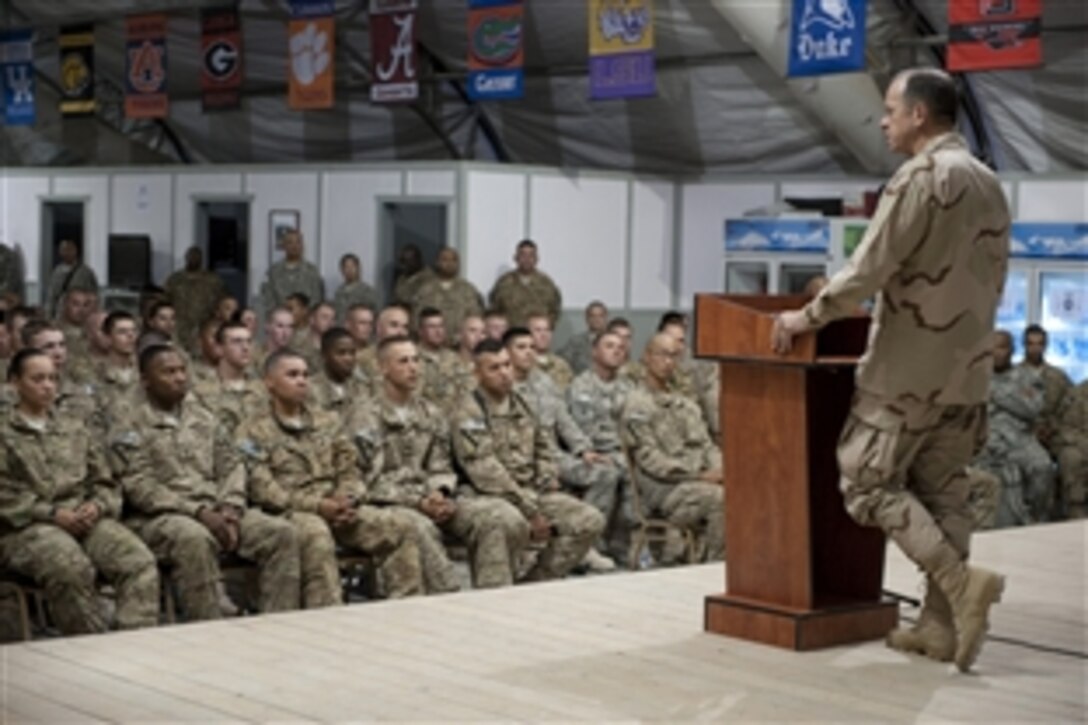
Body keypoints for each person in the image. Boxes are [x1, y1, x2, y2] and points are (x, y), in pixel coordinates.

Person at [770, 68, 1009, 672]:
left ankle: (959, 585)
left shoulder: (922, 177)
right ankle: (937, 629)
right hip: (967, 373)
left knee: (864, 482)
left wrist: (806, 317)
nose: (883, 121)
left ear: (920, 116)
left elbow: (869, 269)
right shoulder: (988, 181)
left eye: (890, 109)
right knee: (943, 493)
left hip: (907, 373)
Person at [112, 345, 301, 620]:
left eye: (181, 370)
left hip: (218, 509)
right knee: (193, 539)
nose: (179, 378)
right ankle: (208, 629)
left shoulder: (201, 415)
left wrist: (231, 507)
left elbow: (231, 464)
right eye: (168, 372)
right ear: (145, 380)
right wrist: (198, 513)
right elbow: (139, 486)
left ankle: (278, 625)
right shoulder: (128, 423)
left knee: (282, 533)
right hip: (160, 517)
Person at [236, 350, 424, 604]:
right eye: (292, 375)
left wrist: (348, 498)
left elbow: (350, 466)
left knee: (400, 527)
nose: (302, 381)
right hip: (289, 512)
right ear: (269, 382)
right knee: (316, 535)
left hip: (338, 507)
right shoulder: (250, 431)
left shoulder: (328, 421)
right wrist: (317, 506)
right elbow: (263, 488)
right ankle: (326, 618)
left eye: (304, 375)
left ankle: (405, 609)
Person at [0, 349, 159, 634]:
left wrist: (97, 505)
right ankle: (88, 648)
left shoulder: (74, 426)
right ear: (14, 382)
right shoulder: (4, 431)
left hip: (83, 518)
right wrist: (51, 513)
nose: (48, 385)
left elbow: (105, 481)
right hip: (26, 528)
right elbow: (5, 495)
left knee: (137, 561)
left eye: (52, 378)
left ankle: (136, 641)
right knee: (69, 566)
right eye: (38, 379)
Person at [348, 337, 523, 591]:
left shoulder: (431, 412)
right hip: (387, 503)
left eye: (416, 360)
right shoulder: (365, 415)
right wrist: (419, 500)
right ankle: (447, 596)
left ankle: (494, 596)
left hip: (431, 499)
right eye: (404, 361)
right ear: (383, 367)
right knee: (419, 528)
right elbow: (365, 479)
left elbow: (441, 466)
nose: (413, 367)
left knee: (498, 516)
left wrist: (439, 492)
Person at [452, 339, 604, 582]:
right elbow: (485, 472)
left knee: (588, 520)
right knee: (506, 521)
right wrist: (529, 508)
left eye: (507, 365)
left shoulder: (523, 403)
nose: (504, 373)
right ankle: (495, 595)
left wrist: (544, 478)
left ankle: (536, 583)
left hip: (531, 492)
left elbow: (544, 448)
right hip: (486, 496)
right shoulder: (469, 411)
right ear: (477, 373)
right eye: (494, 368)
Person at [506, 328, 619, 572]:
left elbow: (563, 419)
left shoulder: (544, 382)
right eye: (521, 347)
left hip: (554, 454)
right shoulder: (503, 384)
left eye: (532, 348)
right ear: (507, 352)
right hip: (521, 460)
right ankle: (532, 549)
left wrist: (583, 450)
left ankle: (586, 546)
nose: (528, 353)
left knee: (605, 472)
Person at [621, 333, 724, 563]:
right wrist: (700, 475)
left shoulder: (685, 404)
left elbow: (707, 446)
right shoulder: (637, 405)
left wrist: (721, 470)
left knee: (740, 492)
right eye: (662, 355)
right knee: (720, 499)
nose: (668, 362)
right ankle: (716, 569)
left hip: (697, 483)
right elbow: (651, 460)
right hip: (665, 490)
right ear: (647, 357)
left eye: (673, 356)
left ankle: (715, 562)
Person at [568, 330, 636, 562]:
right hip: (589, 452)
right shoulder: (581, 386)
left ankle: (622, 542)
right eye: (609, 345)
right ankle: (589, 544)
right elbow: (585, 430)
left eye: (620, 347)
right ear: (594, 352)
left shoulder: (629, 388)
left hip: (623, 452)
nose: (617, 350)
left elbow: (637, 426)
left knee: (635, 469)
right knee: (609, 472)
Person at [974, 331, 1054, 527]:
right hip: (985, 440)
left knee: (1042, 467)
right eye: (992, 348)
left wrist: (995, 393)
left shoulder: (1027, 376)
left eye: (1002, 347)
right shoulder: (975, 377)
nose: (997, 353)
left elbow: (1032, 409)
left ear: (1011, 350)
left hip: (1021, 439)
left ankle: (1037, 519)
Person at [191, 321, 267, 434]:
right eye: (237, 342)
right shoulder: (200, 393)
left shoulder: (264, 390)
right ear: (220, 348)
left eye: (249, 341)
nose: (245, 347)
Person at [1019, 324, 1073, 459]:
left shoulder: (1058, 377)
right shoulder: (1012, 376)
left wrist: (1052, 428)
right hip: (1020, 435)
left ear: (1045, 346)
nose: (1035, 349)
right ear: (1024, 345)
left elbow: (1070, 408)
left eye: (1040, 344)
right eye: (1031, 344)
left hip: (1053, 435)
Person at [412, 247, 484, 341]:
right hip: (429, 345)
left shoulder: (468, 290)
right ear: (437, 262)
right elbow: (416, 319)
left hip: (460, 346)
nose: (449, 264)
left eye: (454, 260)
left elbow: (476, 319)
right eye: (445, 260)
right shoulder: (425, 290)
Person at [164, 246, 226, 353]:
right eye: (191, 256)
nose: (194, 259)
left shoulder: (212, 280)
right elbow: (165, 301)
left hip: (204, 324)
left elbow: (223, 301)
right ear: (186, 258)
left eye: (196, 256)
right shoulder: (175, 280)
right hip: (180, 326)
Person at [487, 240, 562, 328]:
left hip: (537, 336)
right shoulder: (504, 283)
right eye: (523, 255)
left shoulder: (546, 284)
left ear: (537, 259)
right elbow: (494, 309)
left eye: (531, 255)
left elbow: (555, 310)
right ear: (515, 258)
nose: (527, 259)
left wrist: (545, 328)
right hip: (510, 335)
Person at [309, 327, 371, 420]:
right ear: (324, 355)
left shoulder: (363, 387)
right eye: (341, 353)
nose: (348, 359)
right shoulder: (309, 389)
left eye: (352, 353)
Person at [260, 230, 325, 315]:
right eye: (290, 242)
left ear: (302, 246)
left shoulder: (312, 271)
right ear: (284, 246)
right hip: (281, 321)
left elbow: (317, 299)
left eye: (298, 242)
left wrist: (304, 314)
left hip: (306, 321)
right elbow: (268, 299)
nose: (294, 246)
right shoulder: (273, 272)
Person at [416, 308, 462, 412]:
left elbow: (467, 388)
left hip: (454, 418)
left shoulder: (454, 358)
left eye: (441, 326)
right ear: (420, 332)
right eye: (432, 327)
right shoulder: (411, 358)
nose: (438, 331)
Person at [1054, 380, 1088, 519]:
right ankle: (1075, 509)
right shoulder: (1078, 393)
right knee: (1070, 456)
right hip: (1083, 444)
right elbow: (1067, 429)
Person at [46, 239, 99, 318]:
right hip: (61, 313)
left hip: (79, 313)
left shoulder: (85, 272)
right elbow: (52, 295)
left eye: (69, 250)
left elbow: (94, 294)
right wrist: (49, 314)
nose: (66, 253)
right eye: (63, 250)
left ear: (75, 251)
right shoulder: (57, 272)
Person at [528, 314, 574, 392]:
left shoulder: (562, 366)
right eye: (538, 330)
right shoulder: (522, 365)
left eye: (547, 330)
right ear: (528, 334)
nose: (543, 335)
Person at [560, 301, 608, 375]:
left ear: (606, 318)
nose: (597, 319)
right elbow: (562, 362)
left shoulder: (613, 342)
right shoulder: (575, 342)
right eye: (593, 316)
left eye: (600, 316)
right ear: (587, 319)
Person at [332, 253, 378, 323]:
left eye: (352, 266)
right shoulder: (339, 292)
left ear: (358, 268)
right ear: (342, 270)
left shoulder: (367, 291)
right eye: (346, 267)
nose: (350, 270)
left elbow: (376, 314)